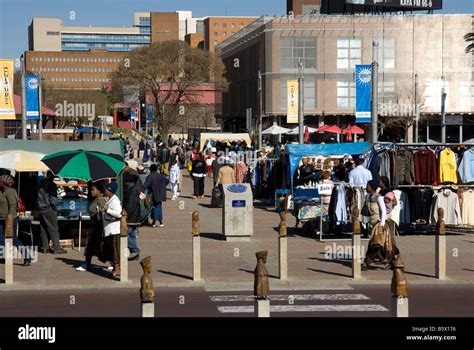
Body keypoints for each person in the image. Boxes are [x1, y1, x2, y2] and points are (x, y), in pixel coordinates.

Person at [363, 180, 399, 270]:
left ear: (372, 187)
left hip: (380, 224)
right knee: (379, 244)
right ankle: (391, 260)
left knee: (375, 244)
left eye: (368, 186)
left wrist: (382, 225)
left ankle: (367, 262)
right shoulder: (369, 197)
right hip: (375, 223)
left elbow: (383, 211)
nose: (366, 188)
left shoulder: (378, 197)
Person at [0, 175, 31, 265]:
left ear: (3, 183)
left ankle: (27, 258)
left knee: (13, 240)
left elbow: (13, 205)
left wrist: (9, 218)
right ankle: (2, 257)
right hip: (1, 219)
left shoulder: (9, 191)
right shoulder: (2, 191)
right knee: (1, 240)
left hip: (10, 219)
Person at [76, 182, 107, 272]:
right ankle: (87, 263)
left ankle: (114, 264)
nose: (91, 191)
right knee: (92, 246)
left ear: (99, 190)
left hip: (99, 227)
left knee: (94, 246)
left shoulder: (101, 200)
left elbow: (103, 213)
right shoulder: (95, 199)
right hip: (95, 226)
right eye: (91, 189)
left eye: (93, 190)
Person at [37, 171, 67, 254]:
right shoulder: (52, 184)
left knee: (43, 228)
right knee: (53, 228)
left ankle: (45, 247)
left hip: (41, 207)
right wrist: (54, 207)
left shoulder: (41, 182)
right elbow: (53, 199)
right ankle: (56, 248)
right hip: (48, 208)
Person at [102, 181, 122, 277]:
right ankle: (116, 267)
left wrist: (107, 209)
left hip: (114, 230)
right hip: (110, 230)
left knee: (115, 250)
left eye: (106, 189)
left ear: (110, 190)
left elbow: (119, 213)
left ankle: (117, 268)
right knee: (112, 250)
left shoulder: (115, 201)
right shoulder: (109, 199)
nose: (104, 191)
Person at [123, 173, 141, 261]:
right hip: (134, 217)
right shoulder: (132, 189)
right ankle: (134, 253)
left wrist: (125, 214)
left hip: (131, 217)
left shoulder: (132, 191)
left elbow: (130, 206)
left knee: (124, 234)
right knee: (132, 235)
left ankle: (135, 250)